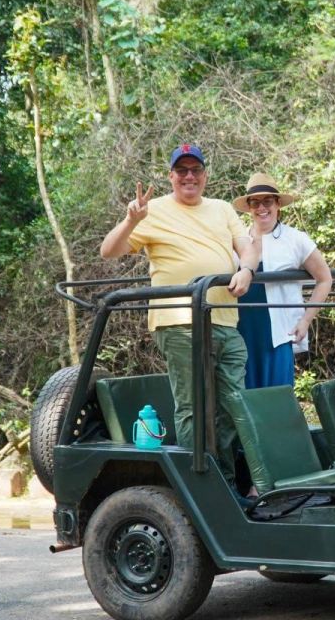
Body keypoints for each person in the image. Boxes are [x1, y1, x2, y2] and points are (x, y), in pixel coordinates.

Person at [100, 143, 258, 485]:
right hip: (179, 322)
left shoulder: (220, 209)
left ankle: (225, 484)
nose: (189, 176)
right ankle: (199, 489)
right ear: (171, 176)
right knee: (194, 406)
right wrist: (131, 220)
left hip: (224, 318)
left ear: (204, 175)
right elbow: (109, 251)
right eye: (182, 170)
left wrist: (246, 270)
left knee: (234, 405)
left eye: (195, 170)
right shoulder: (151, 210)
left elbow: (247, 246)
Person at [233, 173, 333, 389]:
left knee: (276, 397)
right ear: (249, 207)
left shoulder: (295, 239)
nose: (262, 208)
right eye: (255, 202)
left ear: (278, 204)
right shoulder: (238, 239)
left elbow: (325, 278)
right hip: (241, 332)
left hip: (277, 334)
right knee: (243, 399)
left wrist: (306, 320)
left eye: (267, 201)